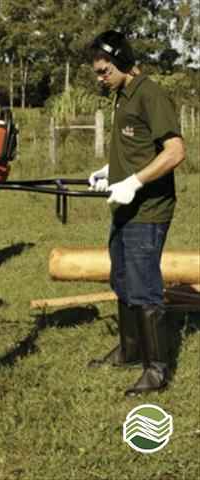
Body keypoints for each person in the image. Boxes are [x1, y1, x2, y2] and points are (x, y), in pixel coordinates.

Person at [87, 31, 185, 396]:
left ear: (123, 60)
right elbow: (136, 149)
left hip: (148, 209)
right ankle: (129, 350)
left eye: (104, 70)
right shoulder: (120, 96)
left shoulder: (150, 94)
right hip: (125, 208)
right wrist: (108, 173)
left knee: (145, 289)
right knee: (123, 278)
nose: (100, 78)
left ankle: (156, 371)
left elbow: (175, 152)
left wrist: (135, 183)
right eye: (97, 72)